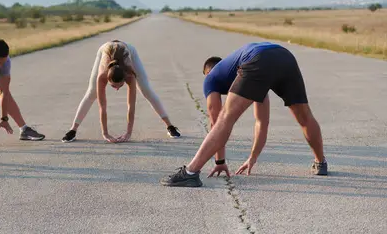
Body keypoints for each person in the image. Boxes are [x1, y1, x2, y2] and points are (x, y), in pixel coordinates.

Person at [160, 41, 328, 187]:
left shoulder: (211, 78)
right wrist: (253, 157)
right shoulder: (245, 72)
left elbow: (216, 122)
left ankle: (190, 173)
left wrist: (220, 161)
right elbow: (262, 122)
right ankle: (320, 163)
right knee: (304, 116)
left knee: (226, 117)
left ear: (207, 73)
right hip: (285, 56)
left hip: (259, 57)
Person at [62, 39, 181, 143]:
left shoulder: (130, 75)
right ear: (107, 79)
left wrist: (128, 133)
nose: (117, 89)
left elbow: (131, 105)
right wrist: (105, 133)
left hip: (128, 50)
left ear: (125, 78)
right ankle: (73, 130)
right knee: (92, 93)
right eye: (113, 86)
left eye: (120, 85)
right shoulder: (102, 76)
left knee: (146, 90)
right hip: (105, 49)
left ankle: (170, 126)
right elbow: (102, 107)